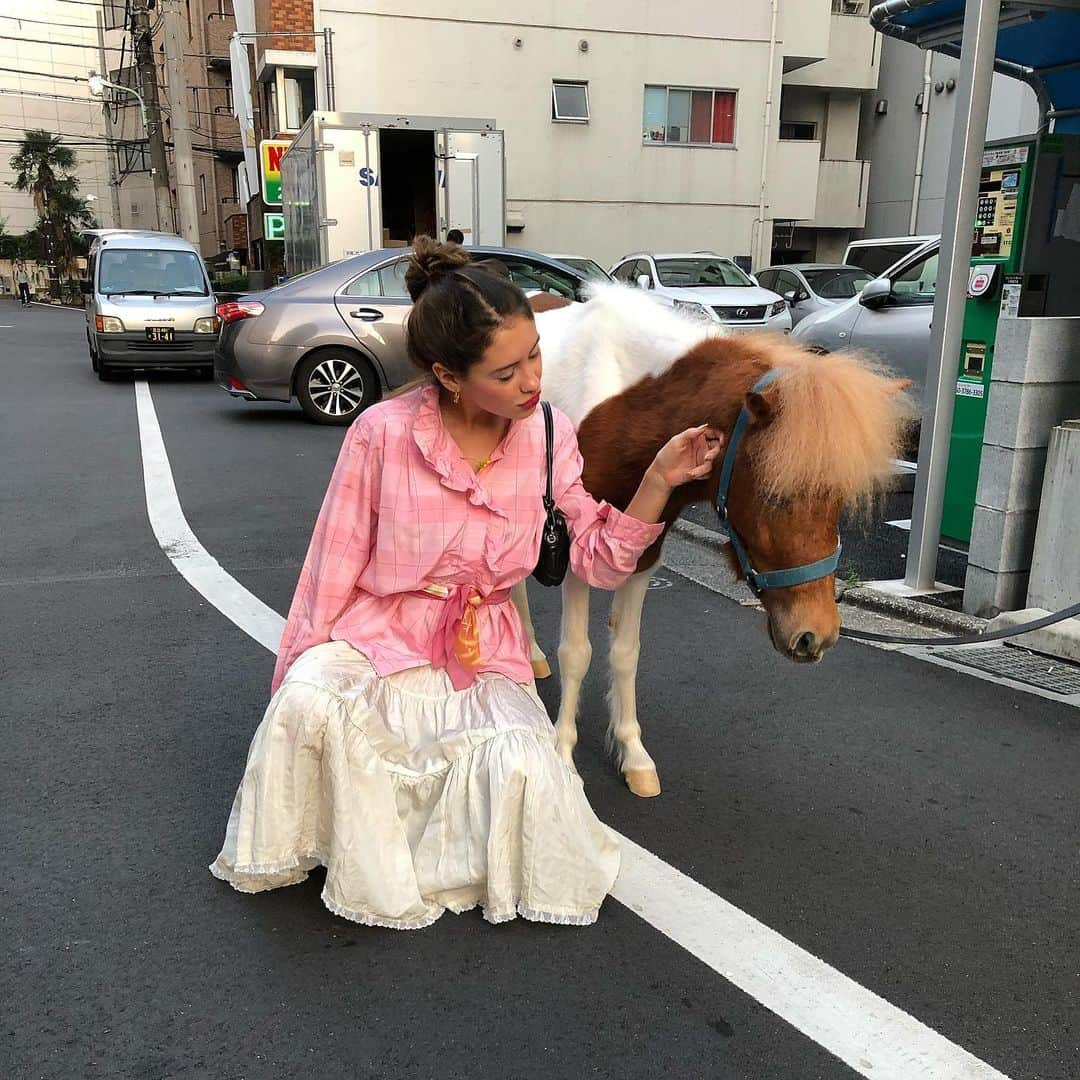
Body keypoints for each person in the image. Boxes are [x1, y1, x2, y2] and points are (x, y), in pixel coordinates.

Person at [210, 237, 723, 930]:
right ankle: (359, 843)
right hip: (378, 634)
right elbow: (329, 566)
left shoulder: (549, 435)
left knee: (522, 766)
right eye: (507, 371)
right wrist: (293, 679)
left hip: (482, 648)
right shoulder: (380, 434)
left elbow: (599, 561)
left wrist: (658, 481)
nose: (532, 382)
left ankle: (404, 848)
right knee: (309, 706)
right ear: (450, 377)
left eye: (535, 355)